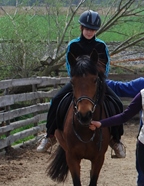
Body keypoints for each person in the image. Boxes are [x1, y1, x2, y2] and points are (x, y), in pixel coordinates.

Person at [36, 10, 126, 158]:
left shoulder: (101, 46)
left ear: (96, 30)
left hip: (96, 83)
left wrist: (97, 80)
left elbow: (106, 66)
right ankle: (50, 136)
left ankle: (116, 140)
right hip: (78, 83)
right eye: (87, 28)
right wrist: (77, 79)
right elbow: (69, 65)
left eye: (92, 29)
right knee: (56, 100)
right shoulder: (74, 45)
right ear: (82, 28)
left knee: (117, 103)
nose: (89, 32)